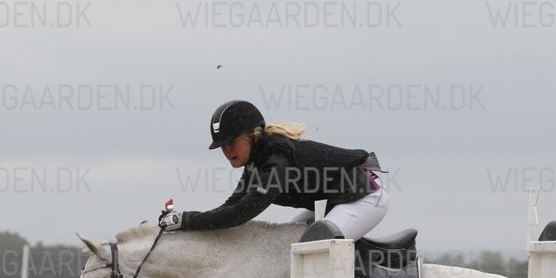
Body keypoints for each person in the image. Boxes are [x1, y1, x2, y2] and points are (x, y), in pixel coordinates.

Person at [158, 100, 388, 239]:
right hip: (335, 201)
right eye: (222, 146)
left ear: (252, 136)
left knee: (316, 247)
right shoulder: (256, 161)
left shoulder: (277, 159)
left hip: (365, 197)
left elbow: (239, 214)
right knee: (284, 244)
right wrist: (183, 222)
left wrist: (184, 220)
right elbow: (229, 207)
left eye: (231, 142)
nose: (227, 151)